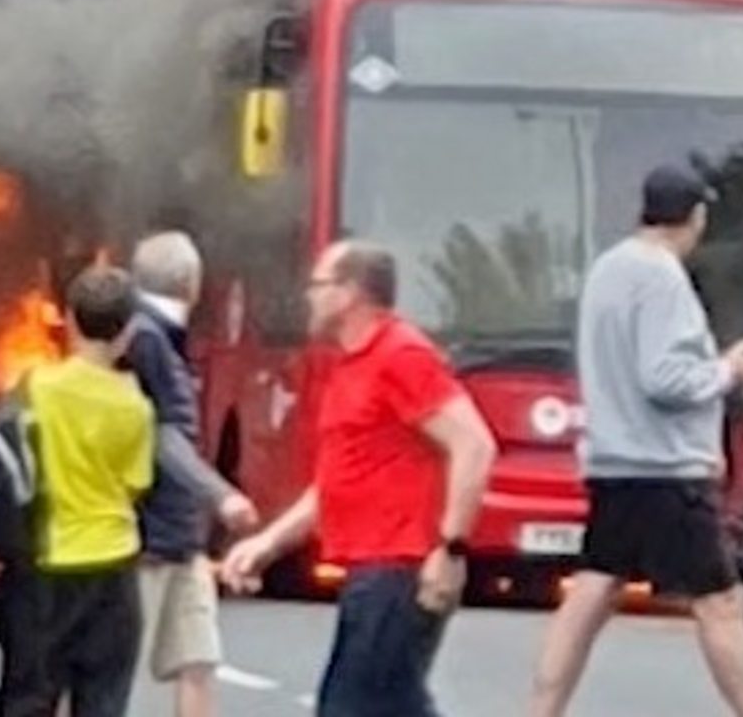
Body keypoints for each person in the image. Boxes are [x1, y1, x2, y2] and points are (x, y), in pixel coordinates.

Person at [530, 166, 743, 717]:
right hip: (666, 471)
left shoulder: (607, 269)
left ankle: (540, 710)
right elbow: (664, 378)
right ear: (695, 217)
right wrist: (725, 372)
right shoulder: (661, 277)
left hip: (613, 460)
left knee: (594, 589)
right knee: (720, 600)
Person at [221, 240, 497, 717]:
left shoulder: (402, 355)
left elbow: (474, 443)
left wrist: (450, 549)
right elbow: (335, 481)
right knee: (385, 705)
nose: (309, 296)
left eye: (319, 285)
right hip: (370, 570)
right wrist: (267, 544)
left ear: (349, 294)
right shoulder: (352, 366)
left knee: (354, 707)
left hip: (399, 568)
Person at [126, 231, 257, 717]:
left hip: (180, 540)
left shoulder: (152, 336)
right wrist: (219, 494)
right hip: (150, 539)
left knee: (199, 662)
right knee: (113, 672)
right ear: (193, 282)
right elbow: (161, 436)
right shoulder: (147, 339)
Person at [27, 266, 155, 717]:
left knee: (34, 696)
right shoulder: (135, 406)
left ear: (69, 319)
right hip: (113, 563)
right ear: (128, 333)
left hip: (50, 558)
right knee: (104, 698)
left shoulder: (39, 387)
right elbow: (136, 483)